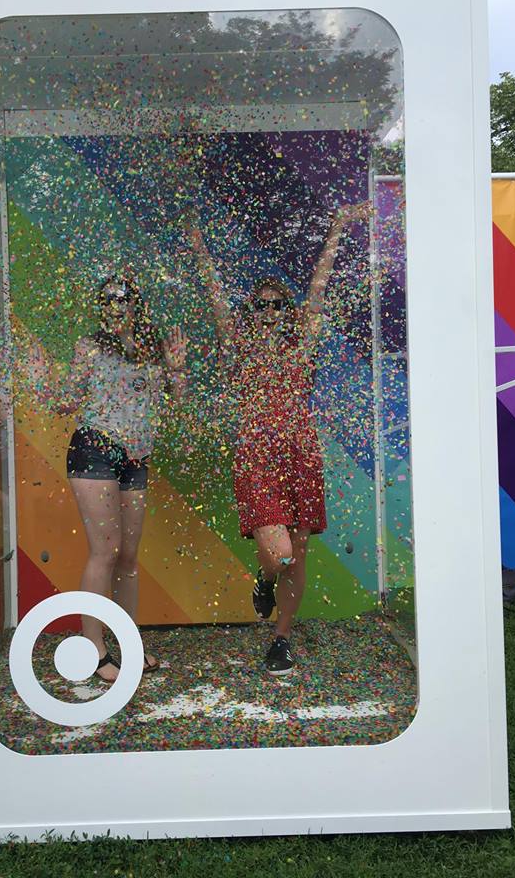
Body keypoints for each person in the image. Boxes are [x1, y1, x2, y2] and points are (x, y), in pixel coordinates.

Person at [187, 202, 370, 676]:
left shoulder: (301, 341)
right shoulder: (238, 343)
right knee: (279, 551)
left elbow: (319, 288)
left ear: (286, 312)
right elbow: (213, 294)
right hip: (256, 455)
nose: (268, 311)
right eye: (260, 304)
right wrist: (199, 245)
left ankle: (281, 639)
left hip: (300, 452)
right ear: (252, 311)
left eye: (276, 304)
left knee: (299, 551)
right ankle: (265, 582)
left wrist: (336, 228)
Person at [32, 275, 188, 683]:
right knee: (105, 551)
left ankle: (128, 644)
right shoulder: (90, 347)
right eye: (108, 300)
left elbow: (177, 399)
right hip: (95, 450)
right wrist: (41, 377)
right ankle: (95, 651)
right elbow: (66, 400)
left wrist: (176, 369)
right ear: (101, 307)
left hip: (136, 456)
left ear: (137, 305)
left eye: (124, 298)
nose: (117, 305)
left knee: (129, 558)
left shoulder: (152, 350)